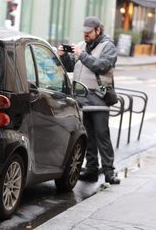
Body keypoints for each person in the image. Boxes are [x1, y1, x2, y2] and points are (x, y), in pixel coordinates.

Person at [58, 16, 120, 185]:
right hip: (81, 98)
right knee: (88, 136)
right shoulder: (81, 46)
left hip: (99, 97)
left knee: (102, 135)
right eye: (84, 32)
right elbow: (72, 67)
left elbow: (102, 66)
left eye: (89, 32)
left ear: (98, 30)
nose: (86, 35)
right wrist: (64, 56)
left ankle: (109, 172)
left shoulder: (108, 47)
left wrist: (82, 55)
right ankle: (91, 169)